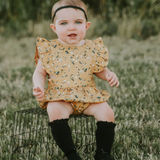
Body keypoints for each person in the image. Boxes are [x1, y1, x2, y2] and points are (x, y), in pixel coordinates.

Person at [33, 0, 119, 159]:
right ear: (54, 27)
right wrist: (38, 86)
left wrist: (108, 74)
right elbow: (40, 72)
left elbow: (100, 69)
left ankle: (103, 152)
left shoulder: (92, 48)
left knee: (106, 111)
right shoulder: (49, 49)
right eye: (64, 23)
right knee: (55, 110)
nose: (71, 27)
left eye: (78, 22)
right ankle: (71, 153)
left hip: (88, 96)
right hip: (61, 97)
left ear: (86, 25)